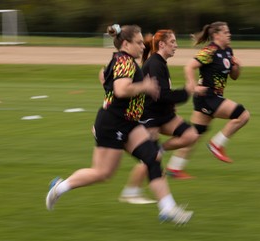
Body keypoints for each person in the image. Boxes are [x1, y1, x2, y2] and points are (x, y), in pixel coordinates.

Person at [45, 24, 193, 224]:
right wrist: (145, 86)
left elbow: (107, 83)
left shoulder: (122, 60)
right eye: (139, 42)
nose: (143, 46)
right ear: (126, 43)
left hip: (128, 123)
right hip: (113, 124)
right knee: (102, 173)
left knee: (153, 157)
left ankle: (168, 208)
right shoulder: (125, 61)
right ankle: (60, 187)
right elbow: (121, 90)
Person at [118, 30, 199, 204]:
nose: (176, 45)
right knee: (151, 158)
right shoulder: (154, 64)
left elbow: (163, 94)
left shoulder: (160, 62)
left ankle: (160, 150)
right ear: (162, 44)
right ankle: (131, 191)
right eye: (173, 41)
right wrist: (186, 92)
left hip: (164, 115)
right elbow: (161, 95)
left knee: (190, 135)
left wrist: (174, 104)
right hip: (150, 116)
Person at [169, 21, 250, 166]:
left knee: (195, 134)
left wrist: (238, 66)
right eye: (226, 32)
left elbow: (234, 76)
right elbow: (189, 67)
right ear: (216, 35)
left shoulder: (228, 51)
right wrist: (194, 87)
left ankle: (173, 168)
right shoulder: (210, 51)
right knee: (242, 115)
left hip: (211, 98)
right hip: (207, 97)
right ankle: (216, 144)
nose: (229, 34)